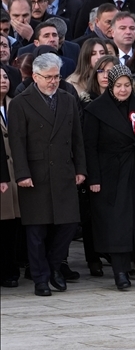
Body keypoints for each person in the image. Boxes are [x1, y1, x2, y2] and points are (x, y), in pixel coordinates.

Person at [7, 53, 87, 296]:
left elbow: (77, 138)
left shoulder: (67, 98)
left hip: (63, 170)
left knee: (68, 224)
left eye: (57, 76)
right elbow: (17, 142)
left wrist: (81, 168)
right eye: (48, 77)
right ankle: (40, 278)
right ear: (35, 76)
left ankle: (53, 268)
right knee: (36, 230)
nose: (53, 81)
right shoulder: (21, 102)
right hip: (36, 172)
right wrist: (22, 173)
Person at [84, 64, 135, 290]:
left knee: (134, 219)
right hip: (110, 172)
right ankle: (119, 271)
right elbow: (90, 146)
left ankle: (128, 264)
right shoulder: (96, 109)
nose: (123, 90)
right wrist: (94, 178)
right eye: (118, 85)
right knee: (116, 221)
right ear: (110, 86)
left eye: (127, 85)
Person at [1, 68, 24, 288]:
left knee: (13, 225)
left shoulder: (15, 104)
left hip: (16, 172)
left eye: (5, 77)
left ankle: (12, 268)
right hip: (1, 174)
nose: (3, 81)